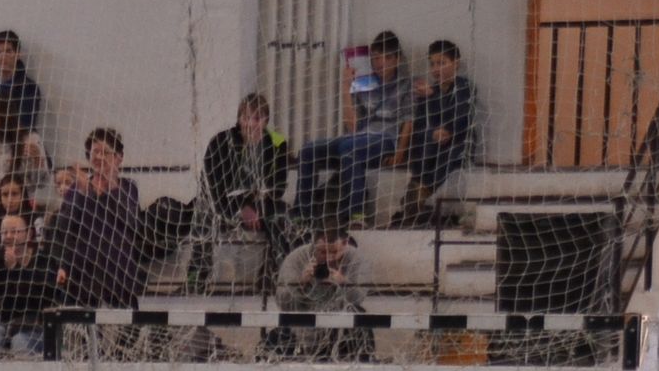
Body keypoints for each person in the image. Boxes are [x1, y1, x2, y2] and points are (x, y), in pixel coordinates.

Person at [295, 32, 412, 224]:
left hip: (385, 140)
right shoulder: (364, 83)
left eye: (387, 58)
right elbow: (353, 126)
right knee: (308, 150)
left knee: (349, 148)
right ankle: (302, 214)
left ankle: (356, 213)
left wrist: (400, 153)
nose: (380, 63)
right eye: (376, 58)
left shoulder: (407, 85)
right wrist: (346, 87)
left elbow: (409, 121)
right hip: (358, 138)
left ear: (397, 59)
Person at [44, 127, 144, 310]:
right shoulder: (76, 189)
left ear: (119, 157)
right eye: (94, 152)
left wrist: (96, 189)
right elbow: (65, 228)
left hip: (118, 274)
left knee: (126, 325)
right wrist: (84, 194)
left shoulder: (128, 187)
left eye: (105, 152)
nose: (99, 157)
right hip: (82, 275)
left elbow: (129, 220)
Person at [401, 41, 476, 218]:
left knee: (450, 153)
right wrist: (432, 133)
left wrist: (434, 98)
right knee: (423, 145)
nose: (436, 69)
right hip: (433, 146)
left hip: (457, 142)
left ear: (456, 63)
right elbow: (419, 126)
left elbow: (460, 119)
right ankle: (418, 194)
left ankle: (421, 194)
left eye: (442, 63)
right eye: (433, 64)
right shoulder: (428, 92)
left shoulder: (464, 87)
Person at [203, 94, 290, 238]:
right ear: (239, 119)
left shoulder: (278, 143)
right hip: (226, 203)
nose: (251, 124)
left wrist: (258, 204)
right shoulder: (221, 142)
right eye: (246, 118)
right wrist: (242, 207)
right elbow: (216, 187)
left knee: (285, 219)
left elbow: (278, 187)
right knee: (205, 218)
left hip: (260, 203)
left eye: (257, 118)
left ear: (266, 120)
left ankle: (279, 253)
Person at [0, 212, 52, 358]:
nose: (8, 236)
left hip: (34, 325)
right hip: (3, 323)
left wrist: (15, 268)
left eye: (15, 231)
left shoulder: (42, 261)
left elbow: (39, 297)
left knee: (20, 342)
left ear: (28, 234)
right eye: (4, 232)